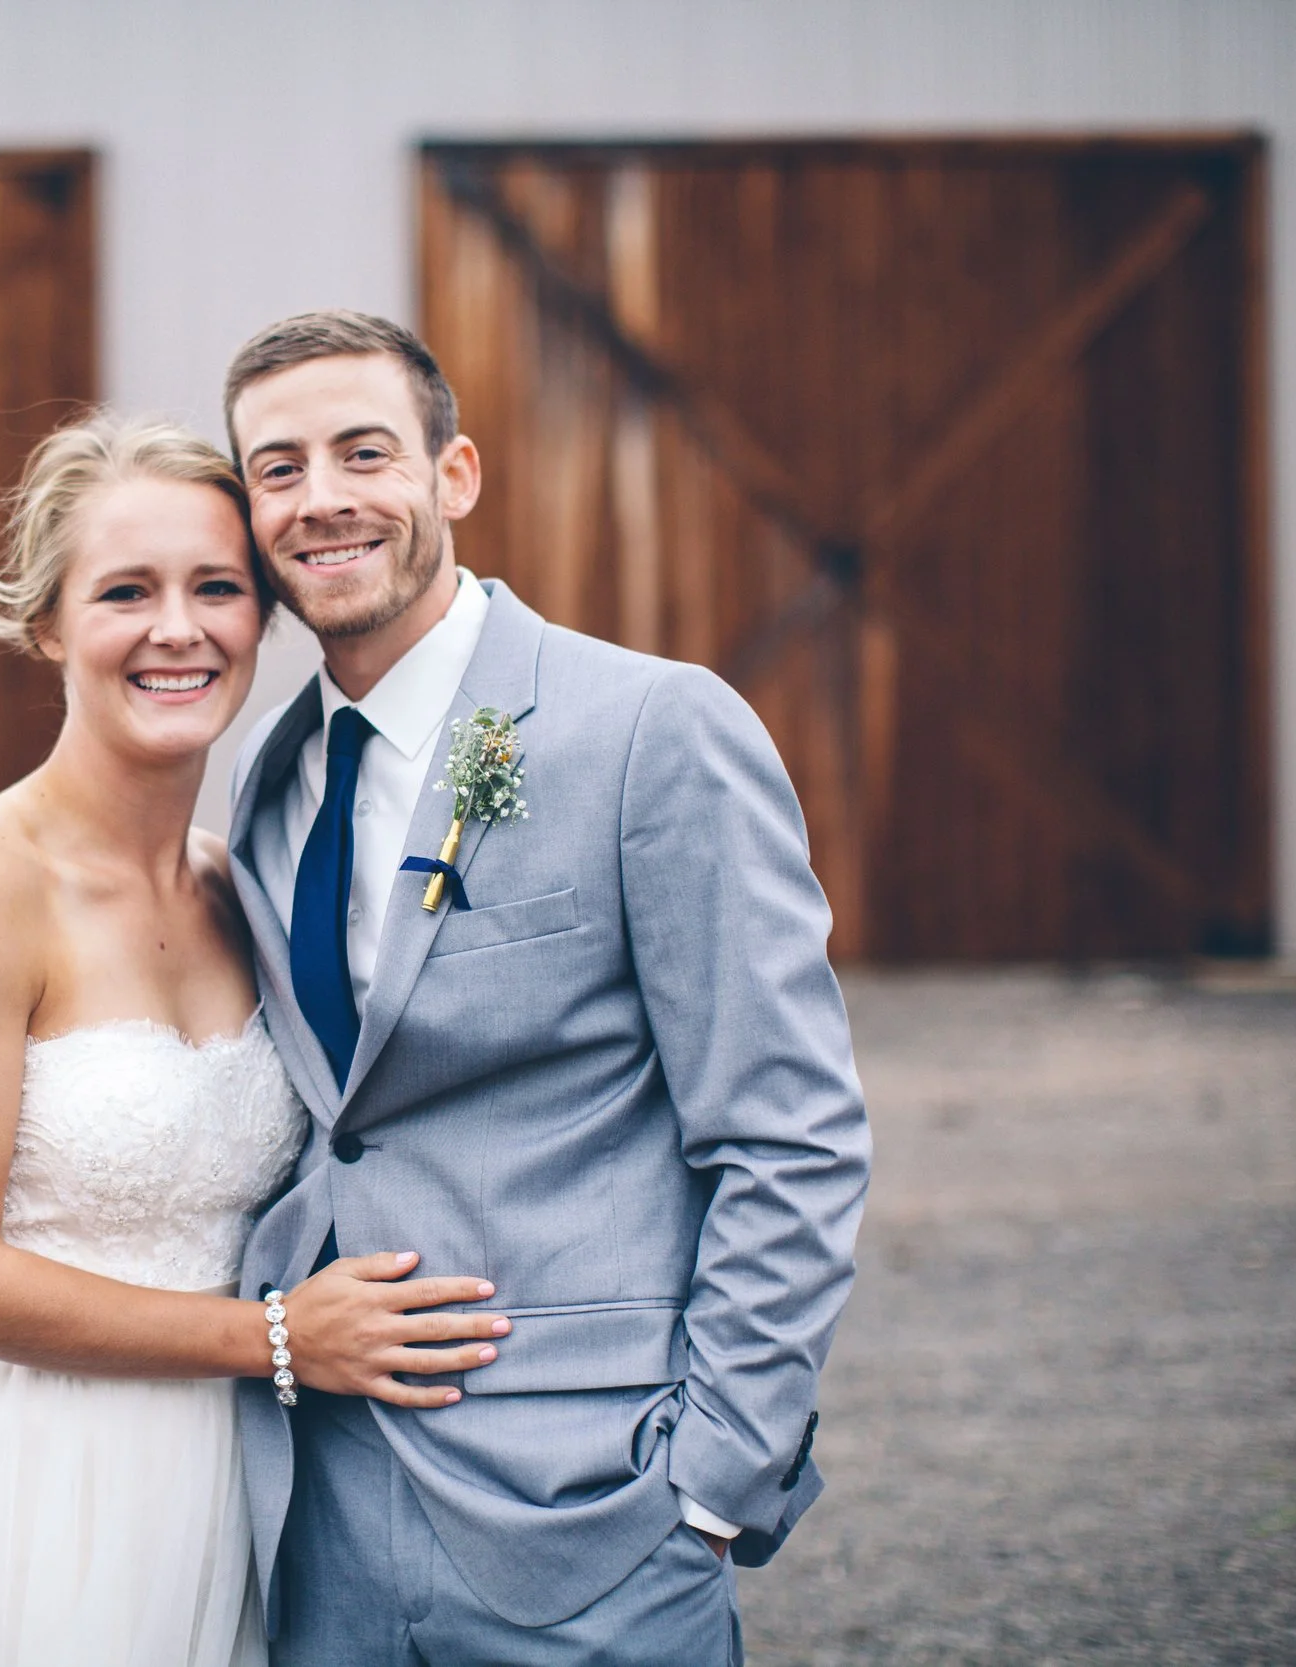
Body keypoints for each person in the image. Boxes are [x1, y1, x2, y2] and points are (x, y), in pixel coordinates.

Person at [0, 414, 512, 1667]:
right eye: (126, 590)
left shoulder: (243, 886)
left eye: (216, 588)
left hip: (243, 1483)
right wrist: (282, 1338)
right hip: (37, 1487)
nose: (177, 627)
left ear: (261, 619)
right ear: (50, 626)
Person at [219, 312, 873, 1665]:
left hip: (595, 1501)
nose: (322, 496)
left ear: (454, 474)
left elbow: (789, 1128)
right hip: (318, 1507)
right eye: (277, 468)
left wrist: (705, 1482)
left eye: (363, 451)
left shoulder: (650, 727)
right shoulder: (269, 779)